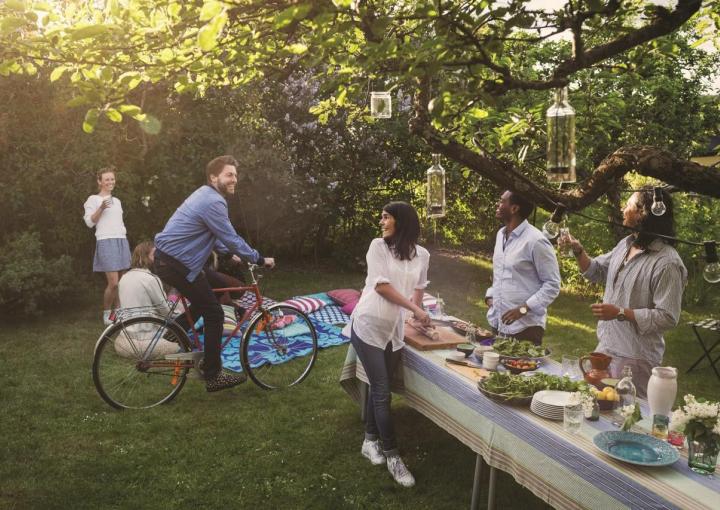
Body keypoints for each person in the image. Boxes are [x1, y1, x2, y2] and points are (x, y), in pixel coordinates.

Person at [154, 155, 275, 393]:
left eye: (235, 175)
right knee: (214, 312)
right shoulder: (214, 201)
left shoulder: (205, 195)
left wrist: (230, 255)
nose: (234, 180)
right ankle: (213, 374)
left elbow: (212, 234)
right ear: (213, 177)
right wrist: (258, 258)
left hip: (175, 261)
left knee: (207, 295)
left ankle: (174, 332)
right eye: (229, 175)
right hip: (177, 263)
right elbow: (229, 236)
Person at [561, 188, 687, 397]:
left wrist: (620, 312)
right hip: (606, 348)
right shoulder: (626, 244)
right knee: (596, 408)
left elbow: (668, 317)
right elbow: (596, 271)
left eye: (629, 205)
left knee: (626, 417)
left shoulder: (668, 262)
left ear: (642, 213)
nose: (623, 208)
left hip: (634, 358)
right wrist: (578, 250)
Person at [342, 201, 431, 488]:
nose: (381, 222)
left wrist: (420, 318)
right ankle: (394, 456)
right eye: (381, 217)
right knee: (381, 391)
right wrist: (414, 311)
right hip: (368, 324)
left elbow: (417, 294)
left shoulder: (423, 255)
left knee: (381, 387)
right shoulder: (377, 247)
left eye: (386, 217)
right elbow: (381, 286)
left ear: (401, 221)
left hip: (393, 331)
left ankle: (370, 442)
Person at [484, 190, 561, 344]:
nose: (497, 204)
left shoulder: (536, 241)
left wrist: (523, 309)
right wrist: (490, 296)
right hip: (498, 322)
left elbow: (552, 285)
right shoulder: (501, 234)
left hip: (525, 329)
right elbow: (501, 272)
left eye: (502, 201)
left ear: (514, 209)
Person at [83, 166, 132, 326]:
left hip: (121, 240)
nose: (110, 182)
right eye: (106, 179)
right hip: (105, 241)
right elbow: (90, 223)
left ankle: (118, 313)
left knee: (123, 282)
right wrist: (102, 207)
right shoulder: (93, 199)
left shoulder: (117, 201)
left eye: (112, 179)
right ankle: (107, 314)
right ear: (99, 182)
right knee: (114, 283)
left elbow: (120, 222)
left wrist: (123, 236)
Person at [115, 241, 179, 359]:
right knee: (188, 331)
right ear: (145, 257)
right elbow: (166, 312)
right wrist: (180, 313)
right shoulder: (150, 279)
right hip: (146, 338)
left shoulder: (124, 277)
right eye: (155, 256)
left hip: (126, 336)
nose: (158, 259)